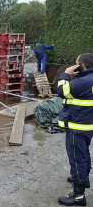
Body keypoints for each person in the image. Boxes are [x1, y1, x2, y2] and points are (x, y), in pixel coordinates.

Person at [57, 53, 93, 206]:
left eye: (76, 63)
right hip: (87, 126)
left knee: (77, 159)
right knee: (84, 154)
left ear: (82, 65)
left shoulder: (82, 82)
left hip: (77, 127)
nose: (74, 64)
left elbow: (62, 91)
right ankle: (82, 179)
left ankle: (78, 196)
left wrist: (65, 74)